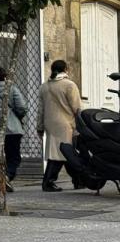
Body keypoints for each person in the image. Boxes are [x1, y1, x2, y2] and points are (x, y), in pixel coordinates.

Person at [38, 59, 82, 192]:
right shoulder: (69, 85)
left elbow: (41, 109)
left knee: (64, 152)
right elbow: (77, 108)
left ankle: (79, 180)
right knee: (63, 152)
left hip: (50, 123)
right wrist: (82, 124)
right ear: (66, 69)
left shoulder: (44, 86)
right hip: (65, 123)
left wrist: (39, 126)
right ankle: (48, 182)